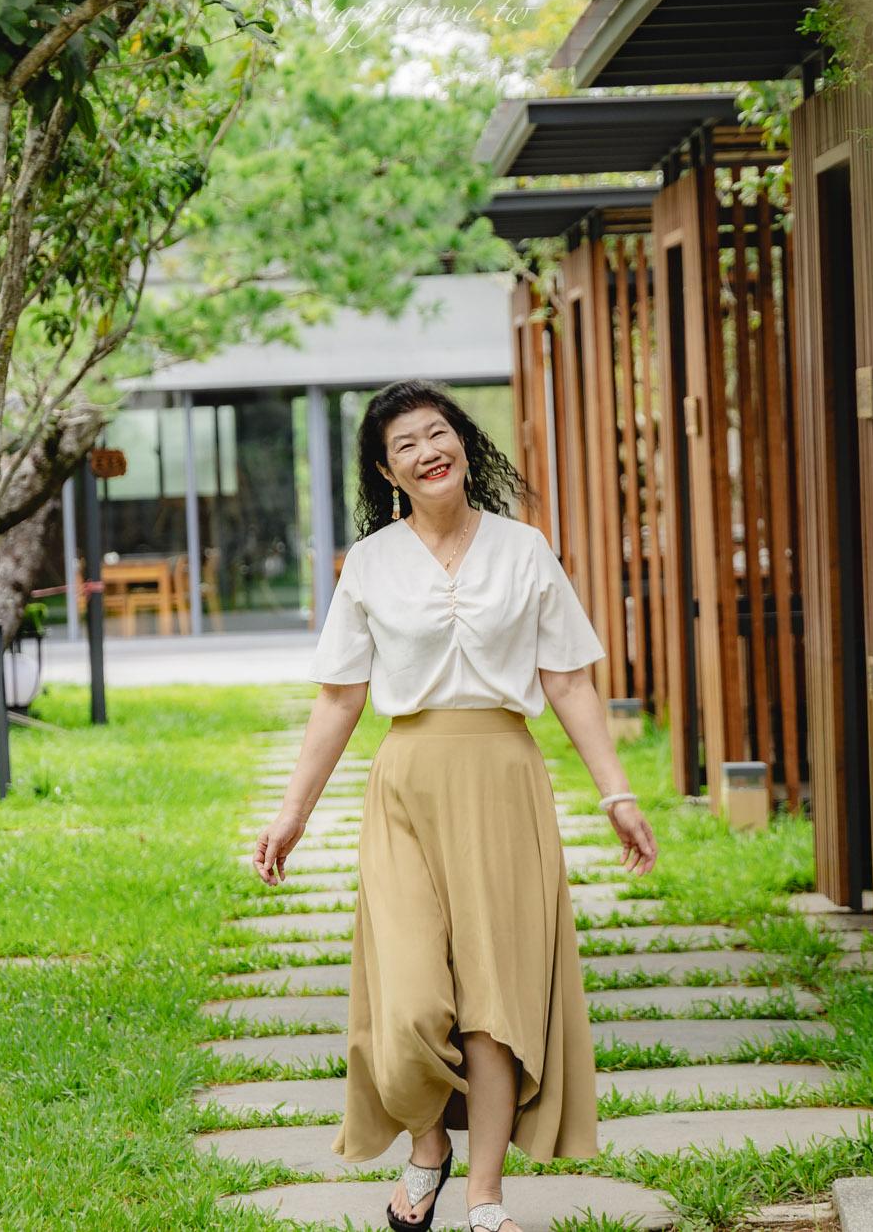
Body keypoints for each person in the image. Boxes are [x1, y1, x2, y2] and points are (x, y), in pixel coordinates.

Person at [251, 381, 658, 1232]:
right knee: (407, 1002)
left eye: (440, 433)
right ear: (386, 468)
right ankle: (427, 1144)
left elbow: (571, 679)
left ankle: (484, 1198)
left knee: (496, 1003)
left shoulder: (524, 548)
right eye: (407, 443)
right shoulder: (369, 564)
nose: (428, 450)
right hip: (407, 784)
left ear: (465, 446)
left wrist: (615, 792)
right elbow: (338, 699)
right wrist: (292, 813)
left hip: (504, 780)